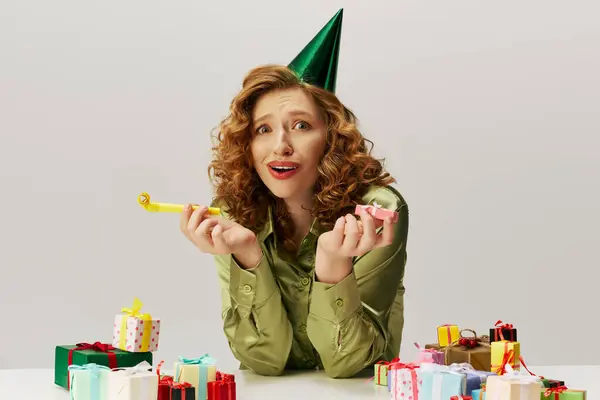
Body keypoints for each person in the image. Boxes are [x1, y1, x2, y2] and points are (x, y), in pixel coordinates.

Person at [180, 8, 409, 379]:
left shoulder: (376, 211)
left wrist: (334, 266)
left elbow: (350, 363)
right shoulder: (230, 214)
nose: (280, 146)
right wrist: (247, 257)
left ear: (330, 138)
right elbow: (263, 361)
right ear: (247, 145)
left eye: (301, 126)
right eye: (263, 130)